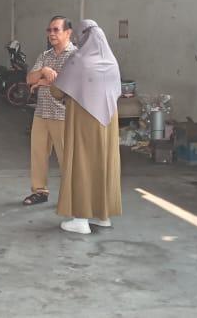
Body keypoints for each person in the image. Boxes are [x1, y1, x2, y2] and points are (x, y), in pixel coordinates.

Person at [50, 19, 123, 234]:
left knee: (82, 163)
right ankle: (103, 216)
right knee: (104, 163)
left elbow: (57, 91)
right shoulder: (111, 60)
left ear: (83, 36)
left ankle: (80, 219)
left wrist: (52, 78)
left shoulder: (79, 60)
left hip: (84, 119)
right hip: (108, 121)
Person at [21, 16, 77, 206]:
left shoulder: (75, 56)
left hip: (63, 115)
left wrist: (43, 82)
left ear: (68, 32)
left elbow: (70, 83)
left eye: (56, 30)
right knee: (38, 155)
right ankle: (39, 191)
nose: (51, 33)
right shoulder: (45, 56)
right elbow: (29, 79)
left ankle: (71, 195)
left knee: (66, 158)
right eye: (49, 30)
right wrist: (44, 71)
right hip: (41, 113)